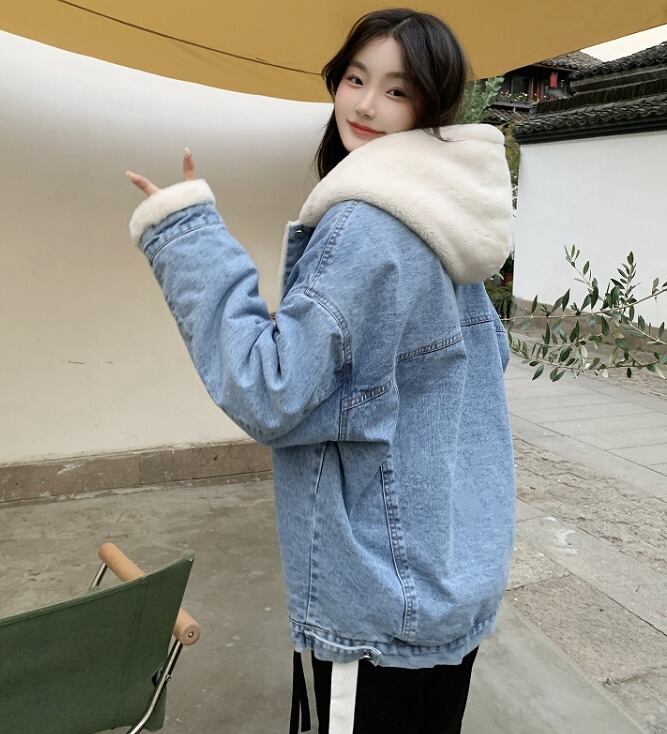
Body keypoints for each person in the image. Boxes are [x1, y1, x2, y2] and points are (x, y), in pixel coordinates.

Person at [126, 7, 515, 733]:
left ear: (431, 106)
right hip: (452, 567)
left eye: (396, 90)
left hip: (380, 589)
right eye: (355, 79)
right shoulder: (451, 221)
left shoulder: (367, 225)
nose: (365, 104)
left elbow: (269, 388)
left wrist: (186, 234)